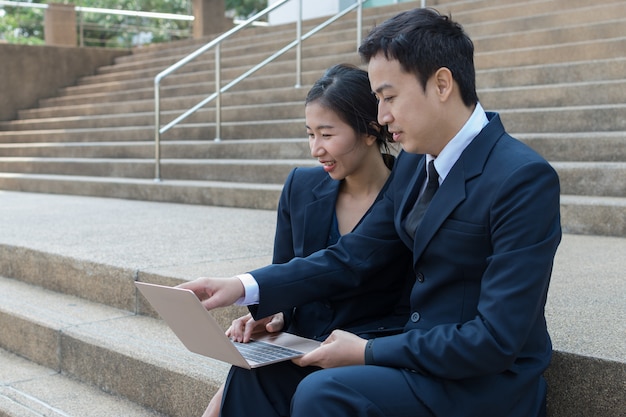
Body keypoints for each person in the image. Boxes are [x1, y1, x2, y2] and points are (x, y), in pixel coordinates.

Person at [180, 8, 561, 417]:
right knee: (258, 372)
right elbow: (353, 256)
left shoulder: (522, 179)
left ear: (442, 84)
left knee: (324, 392)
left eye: (390, 97)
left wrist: (368, 351)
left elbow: (496, 339)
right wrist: (242, 287)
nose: (381, 117)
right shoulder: (417, 163)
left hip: (483, 382)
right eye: (378, 100)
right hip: (414, 354)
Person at [200, 63, 413, 417]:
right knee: (249, 376)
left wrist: (243, 287)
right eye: (310, 134)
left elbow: (346, 264)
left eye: (327, 135)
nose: (316, 149)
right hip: (300, 343)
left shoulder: (407, 193)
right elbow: (286, 270)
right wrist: (272, 314)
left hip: (365, 349)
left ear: (370, 130)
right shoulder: (300, 186)